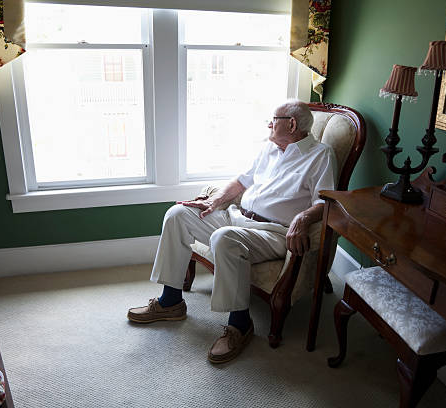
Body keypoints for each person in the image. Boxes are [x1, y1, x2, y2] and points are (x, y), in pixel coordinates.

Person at [127, 99, 337, 363]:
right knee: (177, 214)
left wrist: (303, 219)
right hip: (237, 217)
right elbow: (241, 182)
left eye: (274, 119)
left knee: (223, 238)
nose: (269, 124)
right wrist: (214, 202)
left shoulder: (320, 155)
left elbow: (325, 202)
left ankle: (239, 324)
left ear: (292, 124)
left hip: (272, 232)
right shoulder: (267, 149)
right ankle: (170, 301)